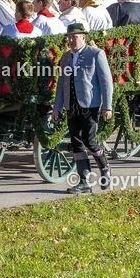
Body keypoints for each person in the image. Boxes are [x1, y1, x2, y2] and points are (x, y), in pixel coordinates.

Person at [51, 23, 114, 194]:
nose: (72, 40)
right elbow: (61, 85)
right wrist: (57, 107)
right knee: (76, 142)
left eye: (75, 36)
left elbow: (106, 82)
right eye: (70, 37)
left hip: (90, 104)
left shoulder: (95, 54)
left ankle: (105, 168)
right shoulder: (65, 58)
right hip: (71, 105)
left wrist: (107, 106)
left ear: (83, 37)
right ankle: (84, 181)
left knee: (90, 140)